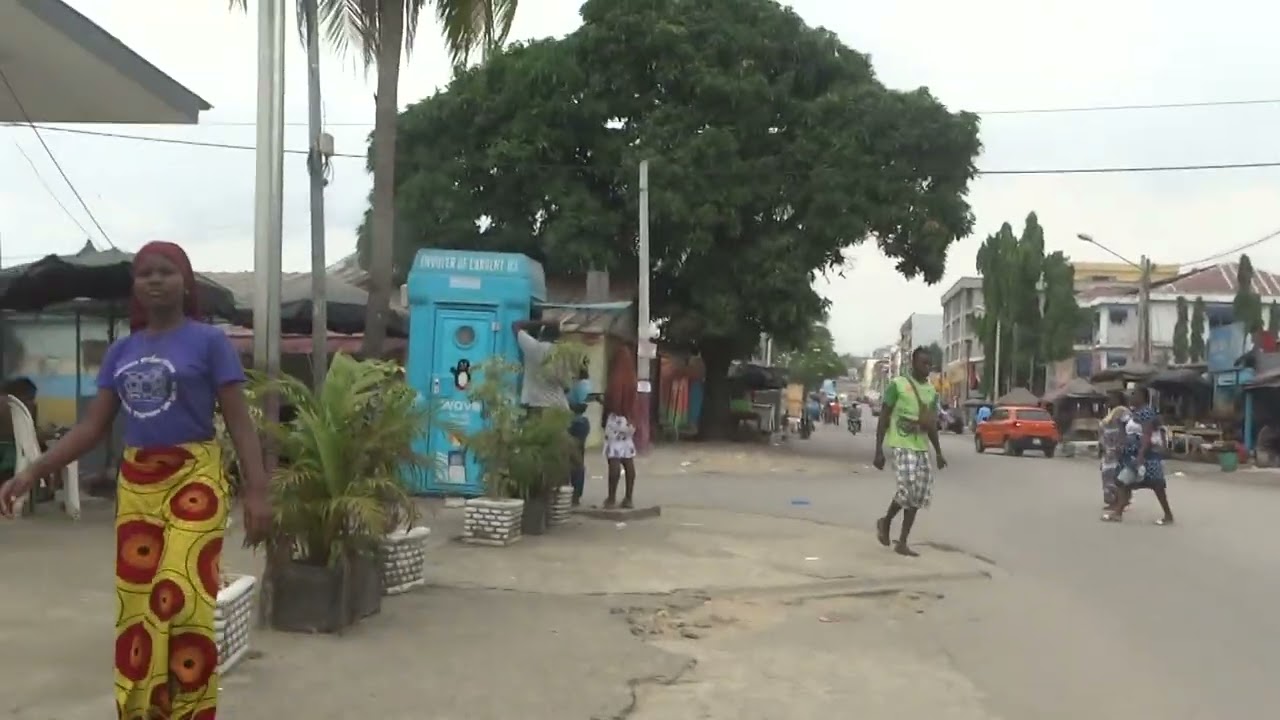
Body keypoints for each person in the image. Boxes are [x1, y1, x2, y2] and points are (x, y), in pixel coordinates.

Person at [0, 241, 272, 720]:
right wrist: (34, 470)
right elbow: (91, 427)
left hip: (195, 477)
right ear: (136, 287)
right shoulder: (121, 351)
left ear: (185, 282)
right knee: (139, 609)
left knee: (181, 595)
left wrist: (256, 491)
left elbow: (239, 422)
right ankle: (144, 711)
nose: (154, 280)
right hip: (139, 484)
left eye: (165, 271)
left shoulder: (209, 343)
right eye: (145, 273)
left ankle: (190, 711)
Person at [873, 346, 947, 557]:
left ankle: (902, 542)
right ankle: (885, 522)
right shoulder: (897, 385)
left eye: (929, 364)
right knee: (907, 488)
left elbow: (931, 423)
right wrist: (878, 450)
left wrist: (939, 452)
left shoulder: (932, 391)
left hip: (921, 446)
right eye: (923, 363)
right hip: (900, 442)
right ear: (913, 363)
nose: (927, 368)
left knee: (918, 495)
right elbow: (884, 417)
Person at [1103, 386, 1174, 525]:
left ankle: (1168, 515)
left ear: (1142, 397)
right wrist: (1121, 446)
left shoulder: (1146, 412)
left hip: (1146, 455)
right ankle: (1118, 513)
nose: (1131, 397)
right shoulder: (1136, 413)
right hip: (1132, 454)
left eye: (1134, 394)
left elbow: (1147, 435)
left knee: (1157, 485)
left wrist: (1141, 455)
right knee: (1123, 482)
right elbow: (1130, 432)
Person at [602, 345, 638, 508]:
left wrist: (605, 419)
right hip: (628, 420)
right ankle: (629, 498)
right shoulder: (632, 380)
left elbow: (613, 403)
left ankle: (611, 498)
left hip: (615, 420)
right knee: (628, 459)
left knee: (614, 459)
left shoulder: (615, 379)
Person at [511, 319, 570, 412]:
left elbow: (515, 325)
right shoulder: (562, 354)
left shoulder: (533, 346)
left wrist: (542, 322)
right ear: (558, 337)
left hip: (533, 404)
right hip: (555, 406)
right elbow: (566, 386)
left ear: (541, 332)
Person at [1098, 390, 1131, 510]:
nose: (1109, 400)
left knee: (1115, 476)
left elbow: (1127, 427)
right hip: (1108, 450)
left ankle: (1119, 501)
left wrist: (1122, 444)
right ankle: (1113, 500)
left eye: (1112, 398)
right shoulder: (1111, 412)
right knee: (1108, 475)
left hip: (1117, 449)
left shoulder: (1122, 411)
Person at [567, 361, 592, 506]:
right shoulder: (580, 383)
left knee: (575, 460)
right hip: (578, 422)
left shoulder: (581, 384)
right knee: (575, 460)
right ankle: (574, 493)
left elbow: (580, 406)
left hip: (576, 423)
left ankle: (575, 494)